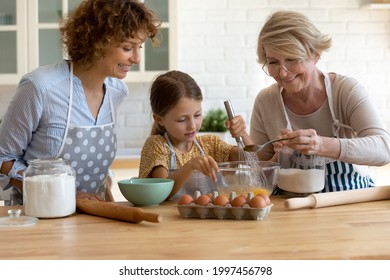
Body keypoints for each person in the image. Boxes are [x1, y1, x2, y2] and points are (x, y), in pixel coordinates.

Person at [0, 0, 161, 205]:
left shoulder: (116, 92)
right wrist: (63, 196)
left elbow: (93, 167)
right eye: (128, 47)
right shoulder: (40, 87)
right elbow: (3, 158)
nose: (137, 58)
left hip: (93, 219)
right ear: (97, 41)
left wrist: (107, 195)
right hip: (40, 218)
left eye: (139, 47)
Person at [230, 10, 390, 193]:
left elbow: (384, 149)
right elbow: (260, 177)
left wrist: (320, 145)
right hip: (291, 207)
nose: (282, 73)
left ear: (316, 55)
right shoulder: (266, 101)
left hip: (347, 205)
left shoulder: (345, 90)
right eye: (273, 62)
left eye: (292, 59)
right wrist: (280, 156)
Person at [138, 70, 253, 200]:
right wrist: (190, 166)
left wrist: (243, 134)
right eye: (182, 119)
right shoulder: (157, 146)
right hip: (169, 218)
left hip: (208, 218)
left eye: (197, 115)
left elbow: (252, 160)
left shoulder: (210, 144)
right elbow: (161, 192)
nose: (192, 126)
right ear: (159, 119)